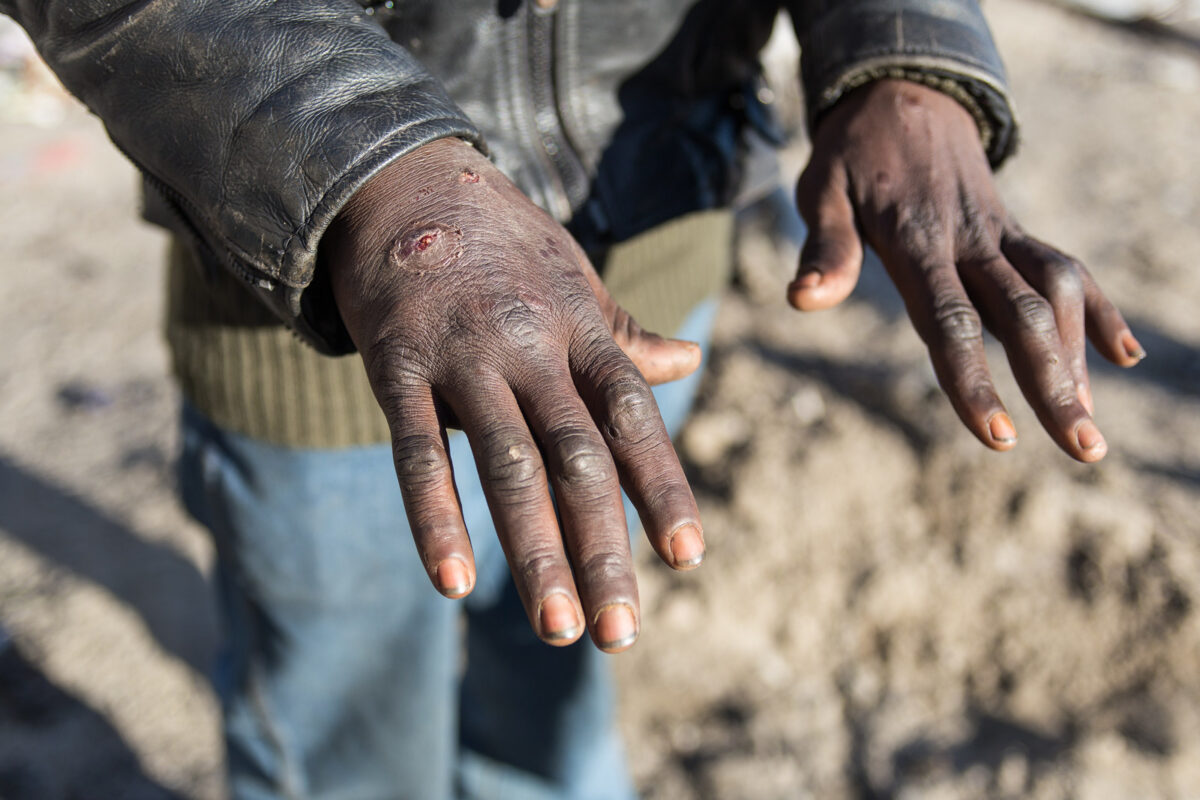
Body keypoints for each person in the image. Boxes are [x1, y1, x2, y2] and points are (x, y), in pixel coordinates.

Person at [2, 1, 1145, 797]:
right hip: (329, 292)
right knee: (343, 720)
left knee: (556, 646)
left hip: (646, 239)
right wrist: (373, 165)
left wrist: (905, 52)